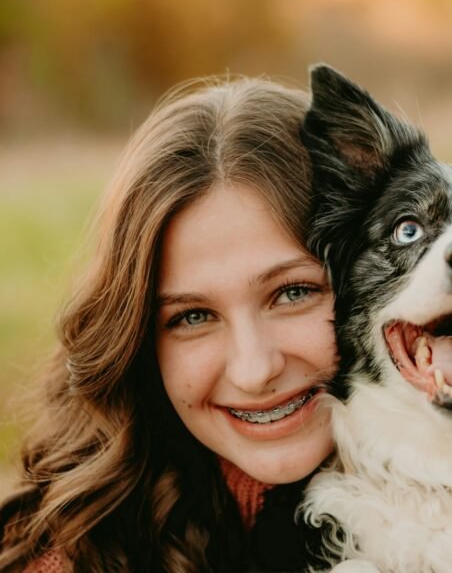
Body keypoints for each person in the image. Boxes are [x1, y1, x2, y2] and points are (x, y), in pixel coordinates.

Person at [0, 76, 337, 571]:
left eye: (293, 292)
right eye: (193, 317)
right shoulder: (75, 555)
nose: (254, 370)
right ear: (137, 341)